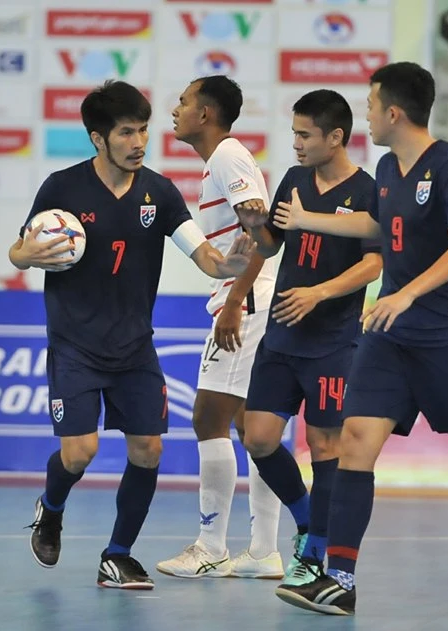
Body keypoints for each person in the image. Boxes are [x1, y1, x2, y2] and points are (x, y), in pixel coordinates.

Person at [269, 62, 448, 616]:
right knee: (356, 439)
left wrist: (405, 294)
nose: (368, 116)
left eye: (372, 106)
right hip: (390, 336)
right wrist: (309, 219)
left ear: (395, 113)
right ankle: (341, 580)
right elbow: (378, 226)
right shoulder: (386, 167)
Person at [9, 80, 255, 590]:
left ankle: (117, 555)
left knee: (148, 450)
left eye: (143, 130)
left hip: (135, 348)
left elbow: (205, 256)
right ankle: (51, 508)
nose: (138, 141)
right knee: (79, 453)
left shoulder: (158, 193)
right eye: (126, 133)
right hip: (75, 346)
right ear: (98, 139)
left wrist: (229, 264)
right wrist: (24, 255)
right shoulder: (62, 188)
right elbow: (19, 249)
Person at [236, 89, 382, 587]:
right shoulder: (295, 180)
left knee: (324, 446)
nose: (296, 144)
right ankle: (304, 519)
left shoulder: (367, 192)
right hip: (281, 335)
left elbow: (374, 264)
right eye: (294, 134)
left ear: (335, 137)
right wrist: (254, 227)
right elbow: (273, 243)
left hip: (333, 342)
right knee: (257, 437)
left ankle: (316, 552)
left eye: (304, 135)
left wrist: (319, 293)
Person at [155, 75, 284, 579]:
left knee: (208, 418)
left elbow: (263, 234)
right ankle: (264, 552)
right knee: (253, 428)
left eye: (183, 101)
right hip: (253, 299)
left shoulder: (229, 156)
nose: (176, 110)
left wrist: (233, 301)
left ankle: (210, 547)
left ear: (205, 114)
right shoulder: (222, 161)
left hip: (245, 304)